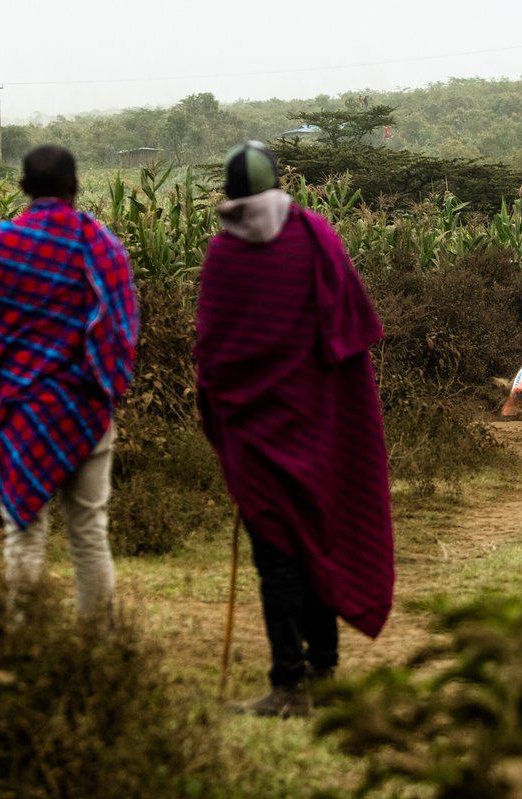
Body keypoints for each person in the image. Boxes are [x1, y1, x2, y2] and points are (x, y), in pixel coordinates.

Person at [195, 141, 394, 718]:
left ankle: (289, 684)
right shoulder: (314, 236)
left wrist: (223, 414)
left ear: (230, 194)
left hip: (255, 432)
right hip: (319, 424)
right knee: (317, 539)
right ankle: (324, 673)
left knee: (277, 553)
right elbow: (350, 337)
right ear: (279, 184)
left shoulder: (224, 253)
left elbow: (210, 354)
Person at [0, 144, 139, 623]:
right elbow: (121, 327)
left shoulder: (3, 243)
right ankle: (99, 647)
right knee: (88, 532)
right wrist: (105, 389)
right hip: (85, 412)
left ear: (22, 187)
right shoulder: (99, 243)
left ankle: (26, 642)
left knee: (23, 530)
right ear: (74, 186)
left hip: (21, 411)